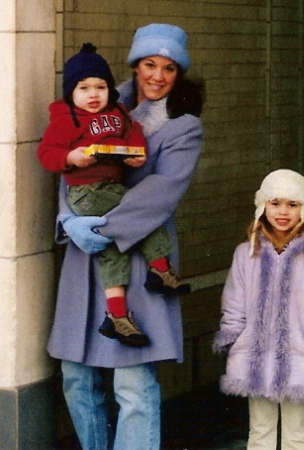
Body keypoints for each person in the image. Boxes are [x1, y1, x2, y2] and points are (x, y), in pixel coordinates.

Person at [46, 23, 204, 450]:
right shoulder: (94, 103)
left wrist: (101, 227)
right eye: (149, 64)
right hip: (86, 253)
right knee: (76, 374)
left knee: (132, 380)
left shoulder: (183, 127)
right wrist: (69, 222)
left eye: (169, 68)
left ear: (179, 74)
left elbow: (160, 192)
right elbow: (68, 167)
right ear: (135, 65)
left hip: (138, 255)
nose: (157, 75)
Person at [38, 43, 190, 348]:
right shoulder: (66, 119)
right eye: (84, 88)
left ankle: (118, 316)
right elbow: (46, 153)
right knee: (144, 222)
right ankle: (160, 271)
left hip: (111, 187)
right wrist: (71, 157)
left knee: (113, 251)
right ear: (71, 92)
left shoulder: (118, 112)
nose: (93, 94)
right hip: (86, 192)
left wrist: (136, 154)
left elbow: (132, 133)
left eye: (100, 87)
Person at [213, 169, 304, 450]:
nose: (283, 212)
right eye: (275, 203)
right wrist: (234, 337)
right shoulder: (246, 253)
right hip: (255, 358)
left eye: (292, 204)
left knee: (297, 437)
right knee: (259, 433)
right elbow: (234, 301)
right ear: (263, 206)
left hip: (299, 359)